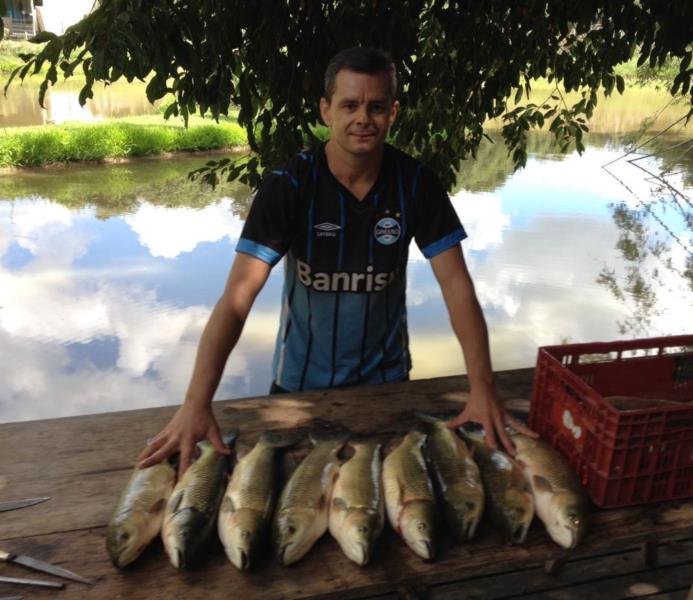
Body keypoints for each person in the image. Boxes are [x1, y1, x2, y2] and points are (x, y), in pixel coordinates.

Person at [138, 47, 535, 476]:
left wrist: (483, 390)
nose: (363, 118)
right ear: (326, 111)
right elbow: (237, 299)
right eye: (349, 105)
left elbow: (457, 287)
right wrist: (196, 404)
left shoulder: (416, 184)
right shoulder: (289, 186)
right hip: (298, 387)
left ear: (393, 112)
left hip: (387, 385)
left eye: (376, 106)